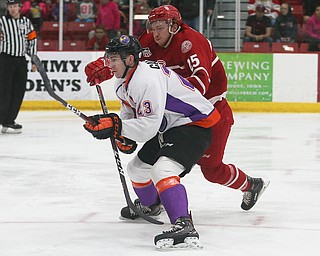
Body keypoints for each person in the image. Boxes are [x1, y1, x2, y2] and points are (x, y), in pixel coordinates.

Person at [85, 5, 270, 219]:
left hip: (207, 112)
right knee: (143, 166)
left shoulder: (191, 42)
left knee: (212, 170)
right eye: (152, 27)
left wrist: (126, 122)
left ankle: (251, 185)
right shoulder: (149, 40)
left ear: (173, 26)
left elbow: (199, 87)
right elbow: (129, 56)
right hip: (173, 116)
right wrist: (105, 65)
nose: (155, 33)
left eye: (160, 27)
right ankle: (153, 204)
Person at [83, 34, 221, 249]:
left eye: (113, 59)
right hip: (171, 125)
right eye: (107, 59)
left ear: (130, 60)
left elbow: (149, 126)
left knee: (162, 171)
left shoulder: (145, 78)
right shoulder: (123, 81)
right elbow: (130, 112)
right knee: (137, 170)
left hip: (195, 124)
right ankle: (152, 205)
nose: (108, 65)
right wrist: (122, 133)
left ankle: (184, 226)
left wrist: (116, 126)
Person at [0, 0, 37, 134]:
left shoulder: (26, 22)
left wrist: (33, 60)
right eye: (11, 6)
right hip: (5, 59)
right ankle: (3, 119)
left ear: (19, 7)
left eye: (15, 6)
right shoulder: (2, 21)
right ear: (8, 8)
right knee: (4, 91)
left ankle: (9, 120)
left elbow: (32, 40)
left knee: (18, 91)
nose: (13, 9)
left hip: (21, 60)